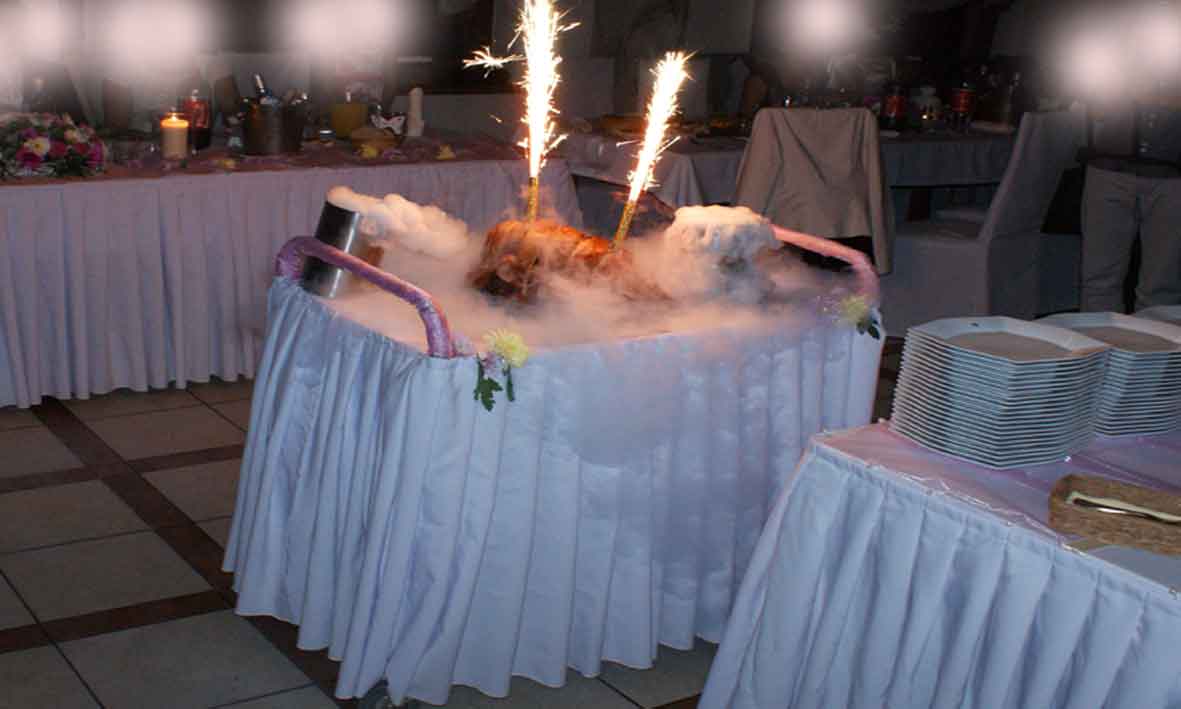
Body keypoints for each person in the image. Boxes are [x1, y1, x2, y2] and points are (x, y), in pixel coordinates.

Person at [1076, 2, 1181, 312]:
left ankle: (1153, 346)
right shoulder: (1109, 32)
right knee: (1098, 282)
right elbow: (1091, 97)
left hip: (1173, 176)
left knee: (1162, 289)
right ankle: (1096, 344)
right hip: (1108, 166)